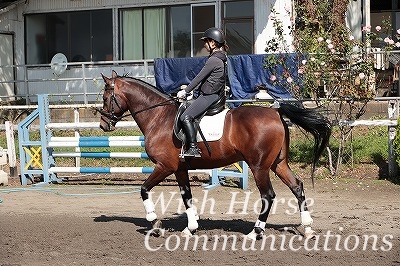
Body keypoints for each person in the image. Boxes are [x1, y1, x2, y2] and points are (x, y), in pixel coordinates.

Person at [177, 27, 229, 158]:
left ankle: (193, 148)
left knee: (185, 117)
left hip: (209, 96)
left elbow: (199, 77)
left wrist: (186, 91)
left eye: (206, 42)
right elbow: (206, 79)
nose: (204, 45)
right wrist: (189, 90)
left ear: (213, 43)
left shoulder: (214, 60)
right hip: (213, 94)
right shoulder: (220, 58)